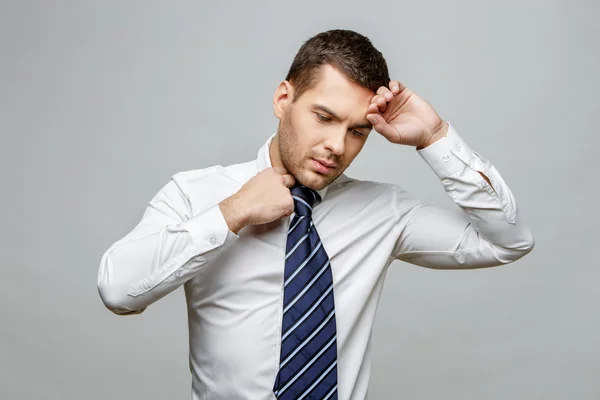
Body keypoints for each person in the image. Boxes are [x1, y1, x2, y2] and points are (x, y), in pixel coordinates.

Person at [97, 29, 534, 400]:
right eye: (323, 117)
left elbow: (507, 240)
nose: (337, 146)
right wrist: (233, 212)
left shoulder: (384, 212)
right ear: (283, 98)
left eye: (357, 131)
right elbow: (118, 291)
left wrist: (436, 138)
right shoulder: (196, 194)